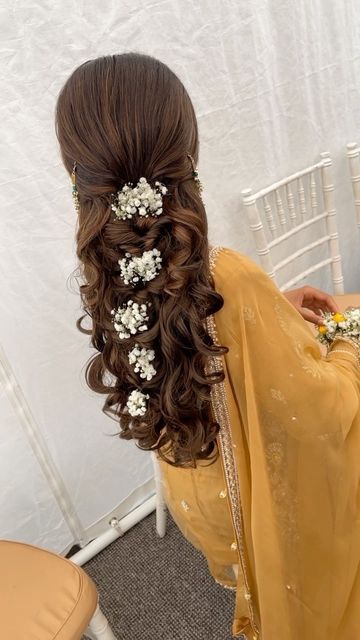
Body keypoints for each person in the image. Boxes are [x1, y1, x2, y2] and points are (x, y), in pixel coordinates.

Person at [55, 53, 360, 639]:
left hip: (201, 496)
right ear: (187, 159)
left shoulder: (109, 270)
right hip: (252, 506)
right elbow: (321, 413)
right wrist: (345, 345)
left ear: (77, 175)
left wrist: (268, 313)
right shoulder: (225, 276)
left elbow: (203, 340)